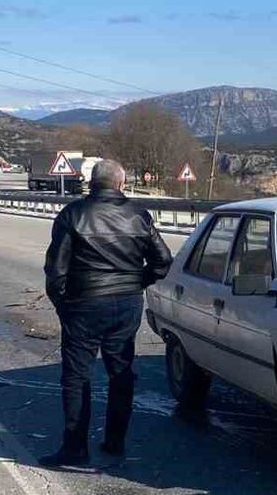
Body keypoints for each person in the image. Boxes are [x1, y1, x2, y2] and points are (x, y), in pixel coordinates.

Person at [40, 159, 172, 466]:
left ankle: (75, 448)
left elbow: (55, 270)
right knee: (121, 372)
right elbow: (163, 261)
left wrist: (63, 304)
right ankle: (115, 442)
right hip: (127, 302)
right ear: (121, 184)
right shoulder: (139, 215)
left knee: (76, 376)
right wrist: (138, 280)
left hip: (83, 302)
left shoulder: (73, 214)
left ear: (91, 183)